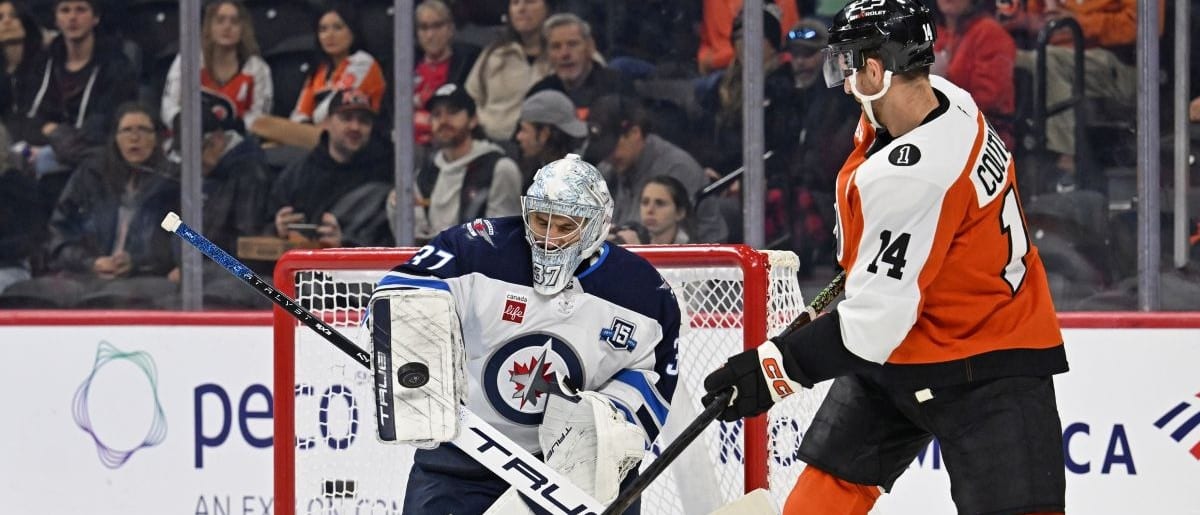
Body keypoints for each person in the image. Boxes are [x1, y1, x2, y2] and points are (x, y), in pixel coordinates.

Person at [702, 2, 1069, 514]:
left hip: (991, 358)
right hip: (909, 342)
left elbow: (870, 327)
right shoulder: (947, 100)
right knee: (823, 496)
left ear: (875, 70)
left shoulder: (915, 174)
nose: (846, 82)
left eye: (850, 66)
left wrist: (772, 370)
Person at [375, 153, 680, 514]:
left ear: (597, 225)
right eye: (539, 221)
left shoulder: (643, 294)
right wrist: (416, 340)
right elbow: (401, 290)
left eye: (565, 227)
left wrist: (604, 424)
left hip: (571, 475)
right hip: (462, 459)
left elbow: (654, 380)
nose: (549, 239)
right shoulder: (477, 249)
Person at [2, 102, 180, 308]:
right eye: (127, 130)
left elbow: (184, 238)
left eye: (143, 130)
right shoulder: (91, 176)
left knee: (116, 295)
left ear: (157, 137)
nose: (134, 137)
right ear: (115, 138)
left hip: (146, 276)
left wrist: (137, 262)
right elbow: (59, 232)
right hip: (86, 274)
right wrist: (90, 262)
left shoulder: (173, 181)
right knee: (30, 294)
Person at [13, 0, 137, 175]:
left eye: (81, 10)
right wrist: (54, 133)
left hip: (92, 155)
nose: (72, 17)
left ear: (95, 18)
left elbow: (107, 121)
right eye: (65, 10)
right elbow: (27, 115)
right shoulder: (42, 62)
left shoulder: (116, 65)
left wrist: (57, 135)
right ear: (56, 20)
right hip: (40, 149)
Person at [585, 94, 727, 243]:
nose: (608, 157)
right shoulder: (610, 169)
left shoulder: (677, 169)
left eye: (613, 147)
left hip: (694, 261)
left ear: (635, 133)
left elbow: (677, 239)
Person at [267, 88, 393, 248]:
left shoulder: (383, 173)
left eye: (364, 121)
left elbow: (389, 241)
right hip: (299, 266)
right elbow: (262, 225)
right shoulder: (299, 172)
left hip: (357, 270)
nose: (355, 127)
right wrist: (277, 228)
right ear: (326, 122)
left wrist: (344, 244)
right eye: (346, 118)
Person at [250, 3, 386, 149]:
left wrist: (301, 127)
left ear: (353, 32)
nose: (330, 35)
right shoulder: (320, 70)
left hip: (351, 135)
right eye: (323, 30)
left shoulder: (363, 62)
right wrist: (300, 127)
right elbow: (299, 113)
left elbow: (333, 108)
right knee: (259, 124)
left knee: (266, 130)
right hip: (317, 133)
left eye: (338, 28)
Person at [411, 83, 522, 242]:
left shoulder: (499, 169)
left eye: (453, 112)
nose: (443, 120)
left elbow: (500, 240)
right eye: (436, 114)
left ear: (473, 120)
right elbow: (412, 240)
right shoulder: (424, 175)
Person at [161, 0, 272, 134]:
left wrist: (232, 128)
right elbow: (169, 106)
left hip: (238, 146)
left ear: (243, 28)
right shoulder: (188, 59)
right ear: (209, 26)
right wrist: (183, 123)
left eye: (234, 22)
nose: (227, 27)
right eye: (220, 21)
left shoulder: (258, 69)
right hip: (189, 141)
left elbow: (260, 118)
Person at [463, 0, 553, 142]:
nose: (521, 8)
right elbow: (468, 99)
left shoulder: (562, 55)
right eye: (515, 3)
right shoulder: (494, 54)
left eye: (530, 1)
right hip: (488, 143)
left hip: (542, 147)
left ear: (548, 8)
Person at [932, 0, 1016, 148]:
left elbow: (989, 101)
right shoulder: (936, 33)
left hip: (983, 137)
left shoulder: (990, 33)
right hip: (940, 128)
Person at [525, 13, 632, 118]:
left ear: (590, 47)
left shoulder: (618, 87)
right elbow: (521, 134)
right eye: (556, 47)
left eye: (572, 44)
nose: (564, 54)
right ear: (547, 54)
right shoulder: (539, 93)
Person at [413, 0, 481, 146]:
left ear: (450, 28)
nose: (430, 35)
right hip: (407, 143)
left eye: (437, 26)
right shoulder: (403, 66)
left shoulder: (469, 63)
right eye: (424, 28)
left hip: (448, 142)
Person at [514, 89, 587, 188]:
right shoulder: (534, 169)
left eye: (524, 130)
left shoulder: (582, 176)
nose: (519, 137)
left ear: (544, 134)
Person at [0, 0, 46, 123]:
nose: (6, 21)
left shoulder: (47, 64)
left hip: (39, 130)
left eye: (14, 16)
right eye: (0, 18)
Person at [639, 175, 693, 244]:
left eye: (660, 204)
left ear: (680, 213)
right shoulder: (632, 245)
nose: (649, 210)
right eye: (645, 202)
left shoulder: (694, 251)